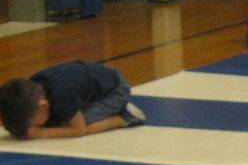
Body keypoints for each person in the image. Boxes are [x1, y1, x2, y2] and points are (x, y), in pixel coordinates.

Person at [0, 60, 145, 139]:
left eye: (33, 124)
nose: (34, 127)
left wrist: (41, 133)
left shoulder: (60, 96)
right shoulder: (33, 88)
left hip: (115, 90)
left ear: (43, 105)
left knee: (72, 123)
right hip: (89, 85)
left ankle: (124, 117)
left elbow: (79, 130)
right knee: (57, 120)